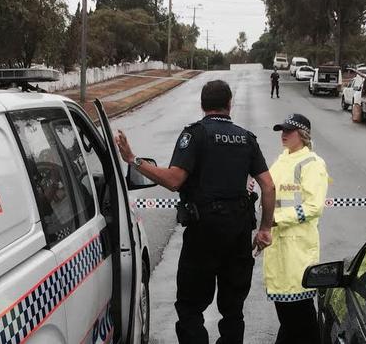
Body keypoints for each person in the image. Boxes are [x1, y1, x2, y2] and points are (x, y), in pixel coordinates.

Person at [115, 80, 276, 344]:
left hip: (203, 235)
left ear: (202, 105)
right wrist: (265, 229)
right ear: (229, 105)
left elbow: (174, 179)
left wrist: (134, 160)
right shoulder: (246, 138)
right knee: (233, 311)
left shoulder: (195, 135)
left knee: (190, 308)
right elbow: (268, 186)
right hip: (237, 234)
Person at [262, 113, 329, 344]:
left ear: (302, 135)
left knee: (300, 319)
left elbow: (313, 206)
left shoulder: (312, 164)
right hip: (278, 248)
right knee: (290, 318)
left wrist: (276, 219)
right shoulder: (281, 160)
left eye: (288, 131)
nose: (283, 135)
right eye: (282, 130)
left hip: (298, 250)